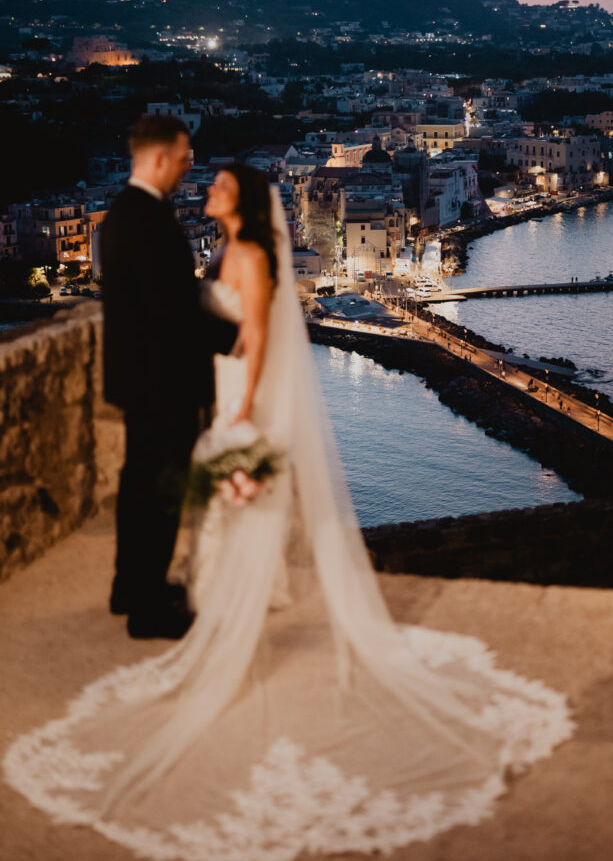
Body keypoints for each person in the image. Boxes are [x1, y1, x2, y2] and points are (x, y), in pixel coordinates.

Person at [3, 168, 574, 860]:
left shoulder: (248, 257)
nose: (204, 192)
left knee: (229, 504)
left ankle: (232, 636)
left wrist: (238, 410)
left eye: (216, 188)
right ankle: (231, 617)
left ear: (237, 202)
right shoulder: (227, 251)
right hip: (221, 388)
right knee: (221, 510)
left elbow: (257, 338)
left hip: (238, 394)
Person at [100, 115, 238, 639]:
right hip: (164, 380)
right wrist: (238, 342)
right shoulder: (147, 220)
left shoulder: (126, 214)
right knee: (159, 492)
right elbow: (171, 310)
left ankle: (128, 586)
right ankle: (149, 609)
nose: (188, 167)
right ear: (158, 158)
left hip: (139, 375)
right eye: (183, 158)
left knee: (138, 485)